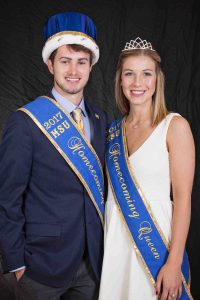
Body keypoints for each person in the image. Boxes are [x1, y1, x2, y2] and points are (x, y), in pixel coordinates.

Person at [0, 12, 107, 300]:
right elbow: (8, 197)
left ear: (90, 67)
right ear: (50, 65)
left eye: (81, 62)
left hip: (91, 265)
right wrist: (17, 264)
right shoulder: (25, 122)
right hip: (40, 265)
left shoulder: (99, 119)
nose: (74, 70)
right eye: (65, 61)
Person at [99, 37, 195, 300]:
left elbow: (183, 199)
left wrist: (173, 263)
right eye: (129, 74)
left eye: (146, 74)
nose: (137, 83)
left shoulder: (174, 126)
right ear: (120, 79)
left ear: (157, 80)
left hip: (158, 249)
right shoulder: (111, 133)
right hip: (117, 247)